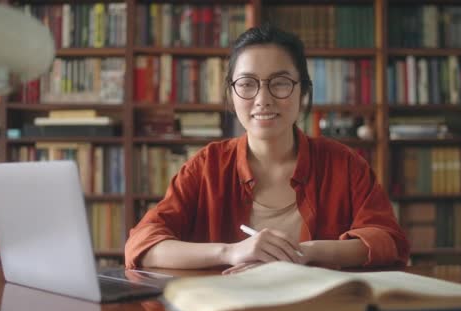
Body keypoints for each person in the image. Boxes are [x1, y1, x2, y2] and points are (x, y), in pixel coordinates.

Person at [125, 24, 409, 273]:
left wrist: (305, 253)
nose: (263, 99)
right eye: (247, 84)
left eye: (280, 83)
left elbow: (388, 241)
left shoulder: (344, 164)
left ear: (304, 91)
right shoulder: (206, 166)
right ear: (231, 93)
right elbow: (142, 244)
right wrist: (231, 252)